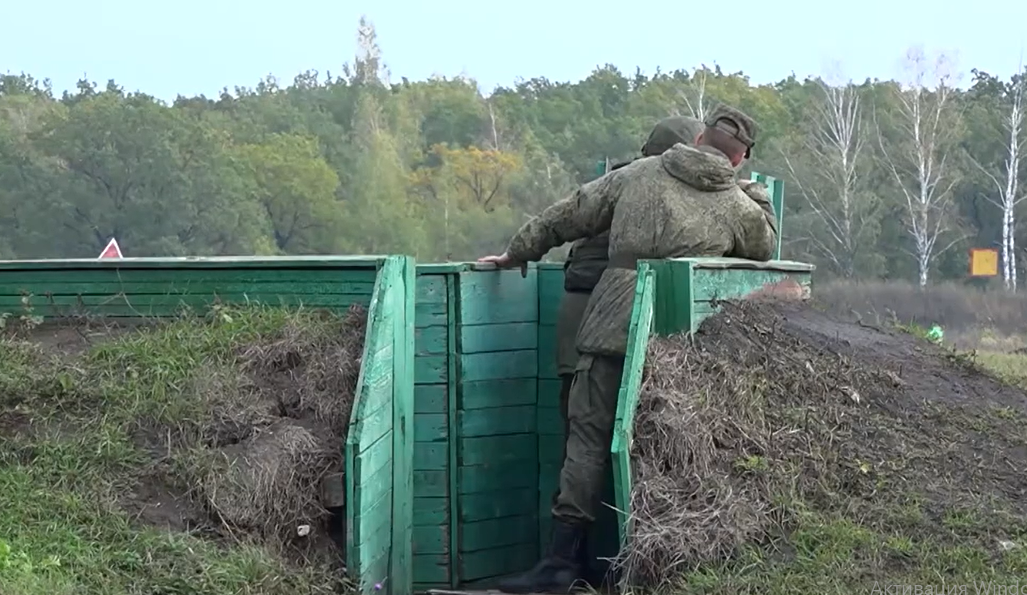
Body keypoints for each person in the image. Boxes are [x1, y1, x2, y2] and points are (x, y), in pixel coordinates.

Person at [478, 104, 778, 594]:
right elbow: (765, 247)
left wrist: (518, 251)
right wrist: (755, 195)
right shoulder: (738, 205)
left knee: (587, 440)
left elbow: (569, 213)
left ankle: (560, 564)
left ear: (699, 137)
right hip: (679, 340)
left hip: (610, 324)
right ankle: (663, 567)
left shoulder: (638, 174)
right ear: (740, 159)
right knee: (667, 446)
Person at [551, 115, 704, 578]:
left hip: (587, 319)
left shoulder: (621, 181)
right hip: (606, 323)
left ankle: (568, 562)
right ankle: (591, 562)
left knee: (581, 441)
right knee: (604, 440)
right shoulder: (655, 189)